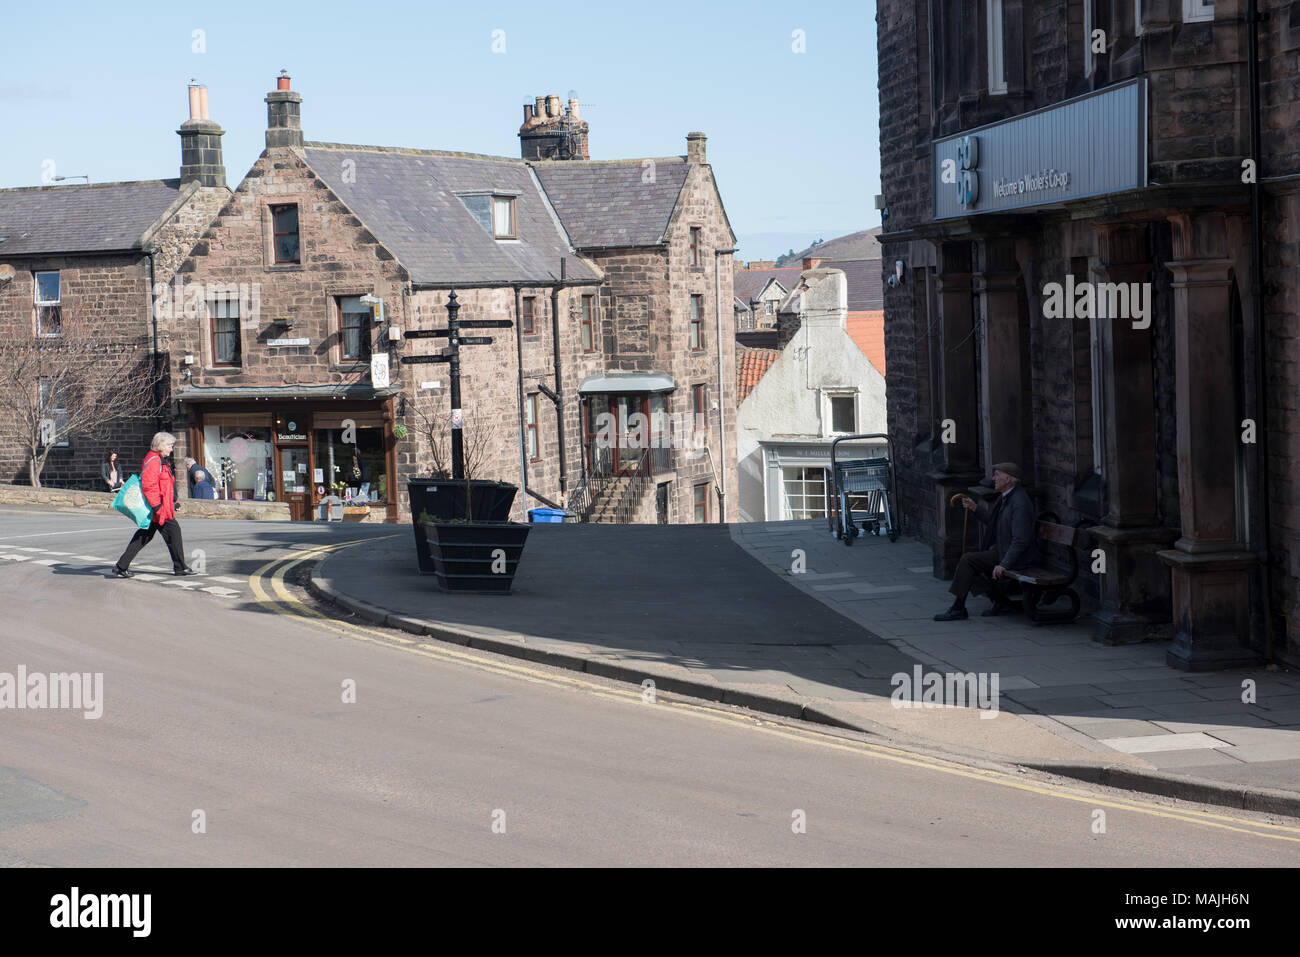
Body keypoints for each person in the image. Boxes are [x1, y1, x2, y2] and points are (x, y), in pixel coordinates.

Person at [934, 462, 1042, 621]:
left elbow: (1021, 540)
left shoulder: (1019, 503)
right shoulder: (1007, 497)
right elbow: (995, 523)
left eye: (997, 475)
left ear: (1008, 479)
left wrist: (1004, 564)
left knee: (969, 561)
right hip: (1003, 550)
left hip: (1019, 558)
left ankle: (959, 608)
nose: (993, 478)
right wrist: (975, 508)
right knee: (970, 561)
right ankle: (1000, 601)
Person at [113, 432, 195, 578]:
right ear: (161, 445)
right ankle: (180, 567)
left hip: (160, 507)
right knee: (172, 532)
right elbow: (149, 486)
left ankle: (121, 566)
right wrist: (157, 507)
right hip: (158, 509)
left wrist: (173, 502)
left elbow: (166, 485)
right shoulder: (154, 460)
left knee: (144, 535)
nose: (171, 449)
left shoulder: (159, 459)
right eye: (170, 446)